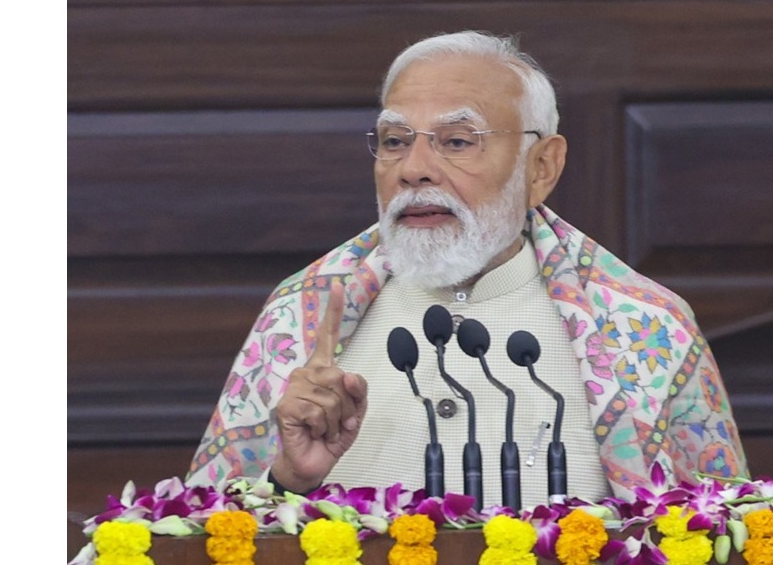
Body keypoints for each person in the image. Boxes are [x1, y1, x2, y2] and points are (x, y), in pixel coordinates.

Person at [185, 31, 744, 505]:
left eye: (456, 141)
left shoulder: (645, 327)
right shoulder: (299, 317)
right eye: (395, 141)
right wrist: (288, 482)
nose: (414, 169)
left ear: (541, 167)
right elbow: (202, 534)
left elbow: (722, 531)